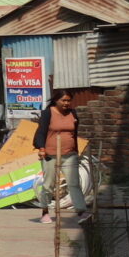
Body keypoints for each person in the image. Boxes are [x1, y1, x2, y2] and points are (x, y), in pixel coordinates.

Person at [39, 91, 83, 219]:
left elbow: (74, 133)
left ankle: (81, 210)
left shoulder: (72, 113)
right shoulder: (48, 113)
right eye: (63, 100)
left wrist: (76, 149)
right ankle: (45, 211)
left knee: (74, 183)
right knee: (48, 184)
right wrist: (42, 148)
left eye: (69, 100)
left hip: (70, 154)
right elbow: (41, 132)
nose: (66, 103)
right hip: (50, 154)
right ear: (56, 100)